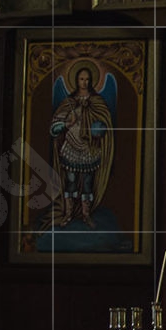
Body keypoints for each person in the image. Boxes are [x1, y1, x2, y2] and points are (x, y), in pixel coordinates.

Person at [49, 61, 114, 224]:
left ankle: (86, 215)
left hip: (88, 149)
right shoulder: (69, 102)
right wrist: (67, 123)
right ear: (76, 80)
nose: (84, 82)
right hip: (71, 147)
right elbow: (54, 128)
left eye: (87, 79)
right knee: (70, 182)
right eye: (81, 79)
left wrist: (98, 129)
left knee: (87, 183)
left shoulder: (96, 102)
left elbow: (104, 122)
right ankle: (68, 214)